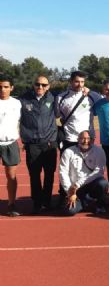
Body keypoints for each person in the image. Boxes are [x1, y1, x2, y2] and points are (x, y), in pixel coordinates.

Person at [20, 75, 57, 213]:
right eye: (37, 84)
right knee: (34, 175)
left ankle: (47, 202)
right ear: (33, 84)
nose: (40, 87)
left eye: (43, 85)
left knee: (49, 174)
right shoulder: (23, 99)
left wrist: (87, 91)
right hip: (33, 144)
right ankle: (37, 202)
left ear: (48, 86)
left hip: (49, 143)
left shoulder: (54, 98)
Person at [59, 130, 109, 216]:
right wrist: (70, 192)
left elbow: (99, 172)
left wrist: (78, 184)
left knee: (103, 183)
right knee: (69, 211)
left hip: (90, 185)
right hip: (74, 189)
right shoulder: (68, 152)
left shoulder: (99, 151)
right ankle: (87, 202)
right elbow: (63, 172)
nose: (85, 141)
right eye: (82, 138)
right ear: (77, 139)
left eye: (88, 139)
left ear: (92, 140)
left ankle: (98, 204)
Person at [55, 71, 102, 151]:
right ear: (70, 81)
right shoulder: (60, 97)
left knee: (87, 163)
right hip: (69, 138)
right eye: (77, 81)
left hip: (87, 138)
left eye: (82, 82)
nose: (80, 84)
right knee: (68, 162)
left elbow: (106, 101)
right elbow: (57, 115)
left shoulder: (90, 95)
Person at [0, 75, 21, 216]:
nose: (3, 89)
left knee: (11, 176)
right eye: (0, 87)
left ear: (11, 88)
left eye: (6, 87)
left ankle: (11, 204)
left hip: (10, 143)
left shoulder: (17, 103)